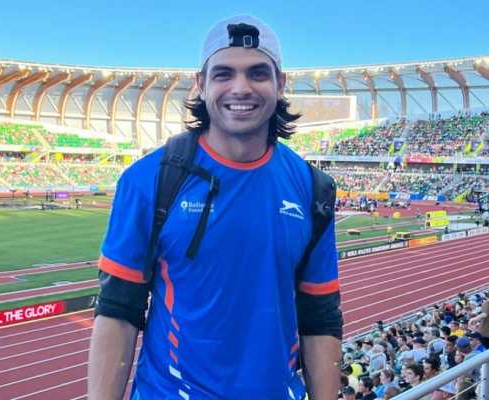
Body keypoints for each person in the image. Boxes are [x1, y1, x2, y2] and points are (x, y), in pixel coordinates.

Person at [87, 15, 343, 400]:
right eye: (224, 74)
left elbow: (320, 317)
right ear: (201, 84)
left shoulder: (312, 188)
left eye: (258, 73)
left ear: (280, 84)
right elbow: (118, 313)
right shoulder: (147, 181)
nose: (241, 88)